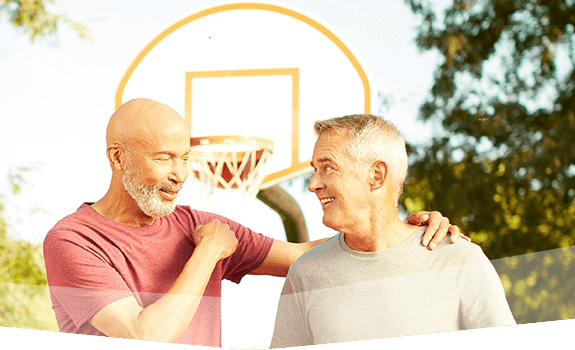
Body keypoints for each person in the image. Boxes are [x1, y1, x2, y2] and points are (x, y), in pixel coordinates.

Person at [43, 99, 467, 347]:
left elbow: (305, 255)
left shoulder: (200, 223)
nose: (180, 174)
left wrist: (402, 232)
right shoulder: (74, 240)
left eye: (185, 158)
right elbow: (146, 333)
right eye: (163, 158)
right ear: (118, 158)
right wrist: (208, 252)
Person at [269, 114, 516, 347]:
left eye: (328, 168)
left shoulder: (460, 259)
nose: (313, 184)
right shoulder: (305, 274)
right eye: (315, 170)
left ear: (376, 175)